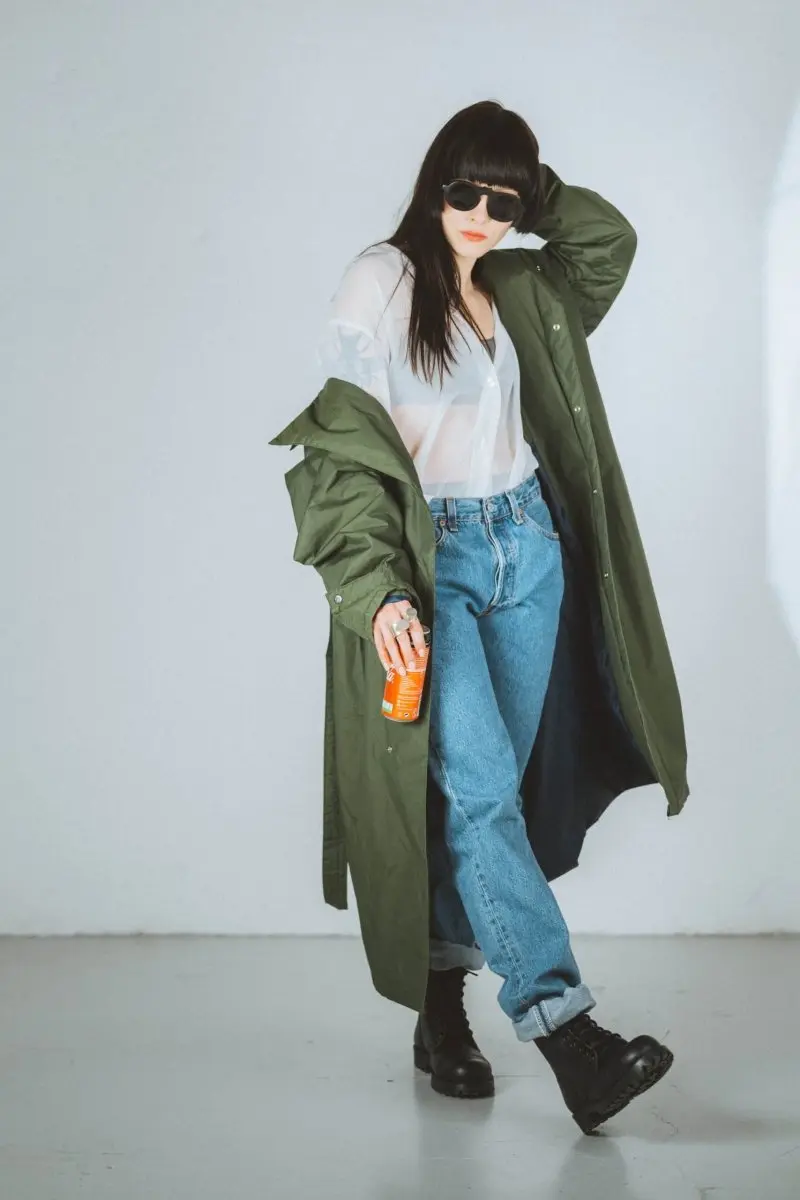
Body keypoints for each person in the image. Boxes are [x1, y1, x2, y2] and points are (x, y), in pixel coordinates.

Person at [271, 99, 688, 1135]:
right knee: (481, 791)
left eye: (504, 200)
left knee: (481, 798)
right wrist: (377, 591)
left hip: (526, 551)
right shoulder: (380, 280)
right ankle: (568, 1032)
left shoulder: (519, 284)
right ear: (433, 181)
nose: (481, 214)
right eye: (465, 190)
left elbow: (608, 243)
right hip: (435, 562)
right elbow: (338, 452)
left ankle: (440, 1007)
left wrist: (532, 199)